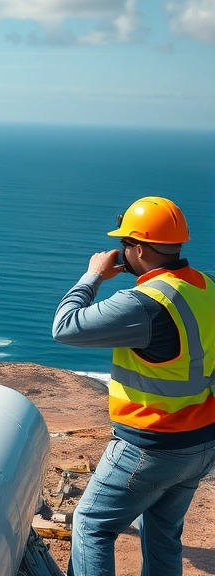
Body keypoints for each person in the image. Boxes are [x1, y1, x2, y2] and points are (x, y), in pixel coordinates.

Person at [52, 196, 215, 576]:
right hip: (201, 443)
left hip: (150, 446)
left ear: (138, 248)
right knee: (162, 536)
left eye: (124, 243)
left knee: (91, 524)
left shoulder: (143, 303)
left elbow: (65, 327)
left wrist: (92, 275)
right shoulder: (207, 287)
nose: (120, 250)